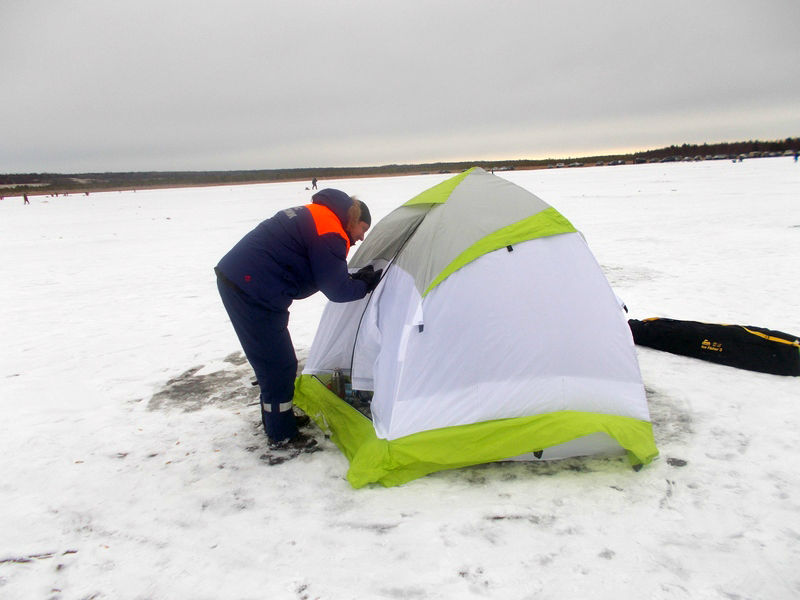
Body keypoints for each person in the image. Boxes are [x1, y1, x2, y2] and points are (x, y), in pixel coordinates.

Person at [215, 189, 381, 449]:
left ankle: (278, 419)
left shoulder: (321, 216)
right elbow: (337, 291)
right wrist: (364, 286)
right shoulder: (331, 231)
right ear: (354, 219)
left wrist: (354, 280)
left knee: (276, 362)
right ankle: (281, 435)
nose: (361, 238)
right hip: (250, 290)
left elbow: (322, 273)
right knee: (278, 365)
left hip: (249, 283)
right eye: (363, 228)